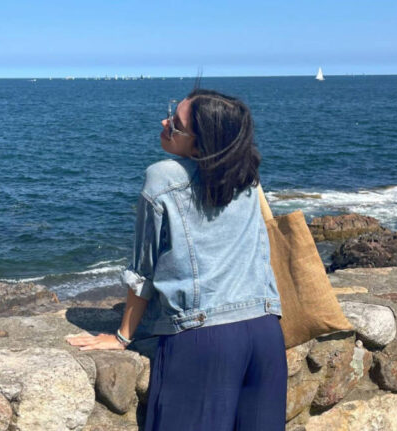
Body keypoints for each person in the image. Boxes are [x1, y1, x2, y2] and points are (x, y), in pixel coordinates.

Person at [66, 88, 286, 431]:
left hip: (203, 339)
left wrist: (122, 336)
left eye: (176, 124)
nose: (164, 122)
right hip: (266, 331)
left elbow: (143, 270)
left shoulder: (163, 177)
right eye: (172, 112)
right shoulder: (246, 175)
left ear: (200, 146)